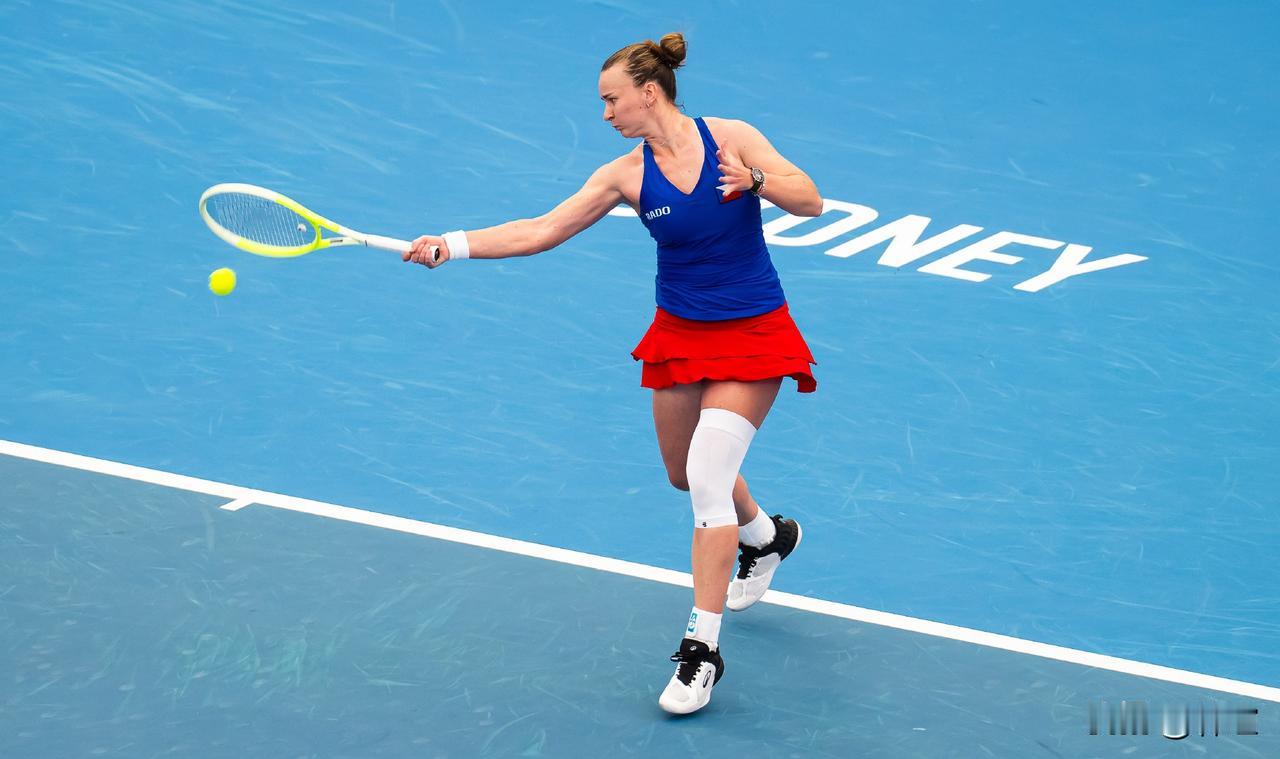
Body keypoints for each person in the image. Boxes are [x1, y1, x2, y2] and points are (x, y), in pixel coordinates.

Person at [405, 32, 822, 715]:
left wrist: (755, 181)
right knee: (684, 472)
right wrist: (452, 244)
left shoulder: (733, 138)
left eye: (611, 100)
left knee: (708, 480)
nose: (605, 114)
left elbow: (810, 200)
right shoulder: (625, 175)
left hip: (753, 331)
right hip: (680, 333)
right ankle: (766, 537)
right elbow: (541, 229)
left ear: (648, 93)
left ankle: (702, 651)